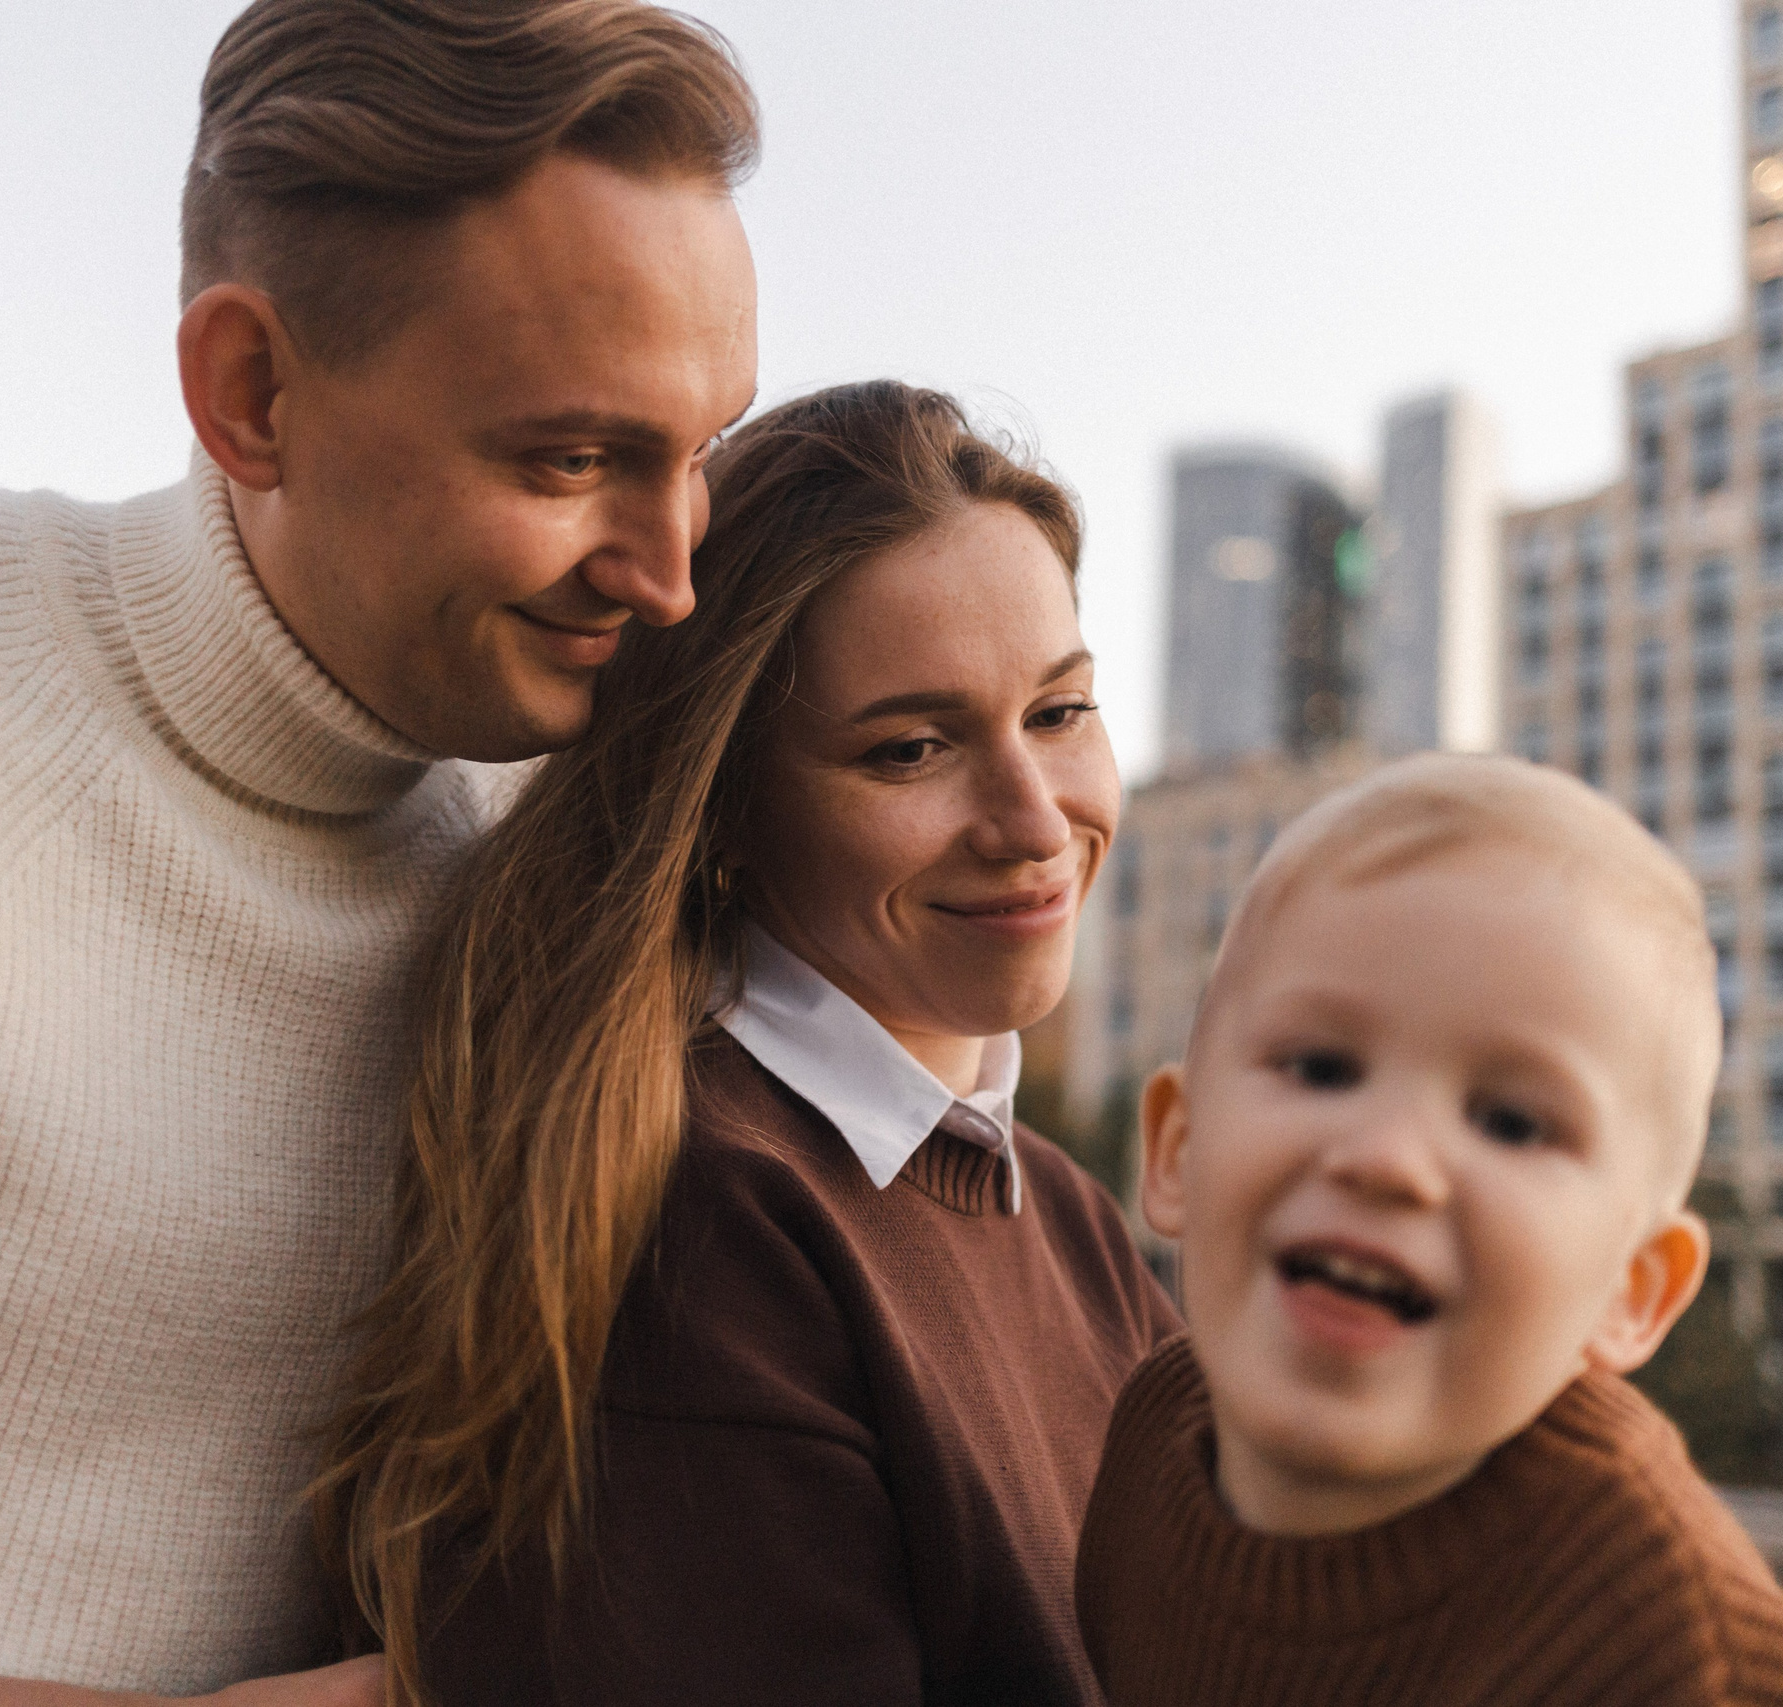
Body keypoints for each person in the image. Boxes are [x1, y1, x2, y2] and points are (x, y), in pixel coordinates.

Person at [0, 3, 757, 1703]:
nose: (667, 572)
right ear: (252, 391)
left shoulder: (579, 879)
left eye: (705, 455)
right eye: (572, 459)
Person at [314, 381, 1183, 1707]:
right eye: (911, 747)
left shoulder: (1063, 1212)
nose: (1033, 816)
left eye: (1060, 713)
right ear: (721, 809)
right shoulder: (699, 1229)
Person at [1076, 754, 1783, 1707]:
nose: (1387, 1158)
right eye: (1323, 1066)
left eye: (1510, 1123)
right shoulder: (1150, 1434)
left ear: (1633, 1289)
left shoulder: (1688, 1667)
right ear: (1176, 1147)